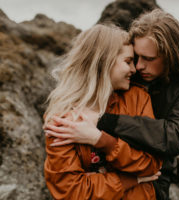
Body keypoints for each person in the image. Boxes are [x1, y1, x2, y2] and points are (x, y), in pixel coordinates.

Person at [45, 9, 179, 200]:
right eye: (134, 58)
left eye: (148, 59)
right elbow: (71, 189)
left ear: (170, 55)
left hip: (153, 182)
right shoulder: (128, 79)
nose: (138, 67)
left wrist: (100, 125)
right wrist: (124, 178)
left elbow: (171, 140)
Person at [43, 24, 162, 200]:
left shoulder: (137, 98)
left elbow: (151, 164)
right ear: (103, 62)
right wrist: (131, 179)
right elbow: (72, 192)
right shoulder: (63, 118)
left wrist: (99, 140)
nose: (134, 69)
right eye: (128, 62)